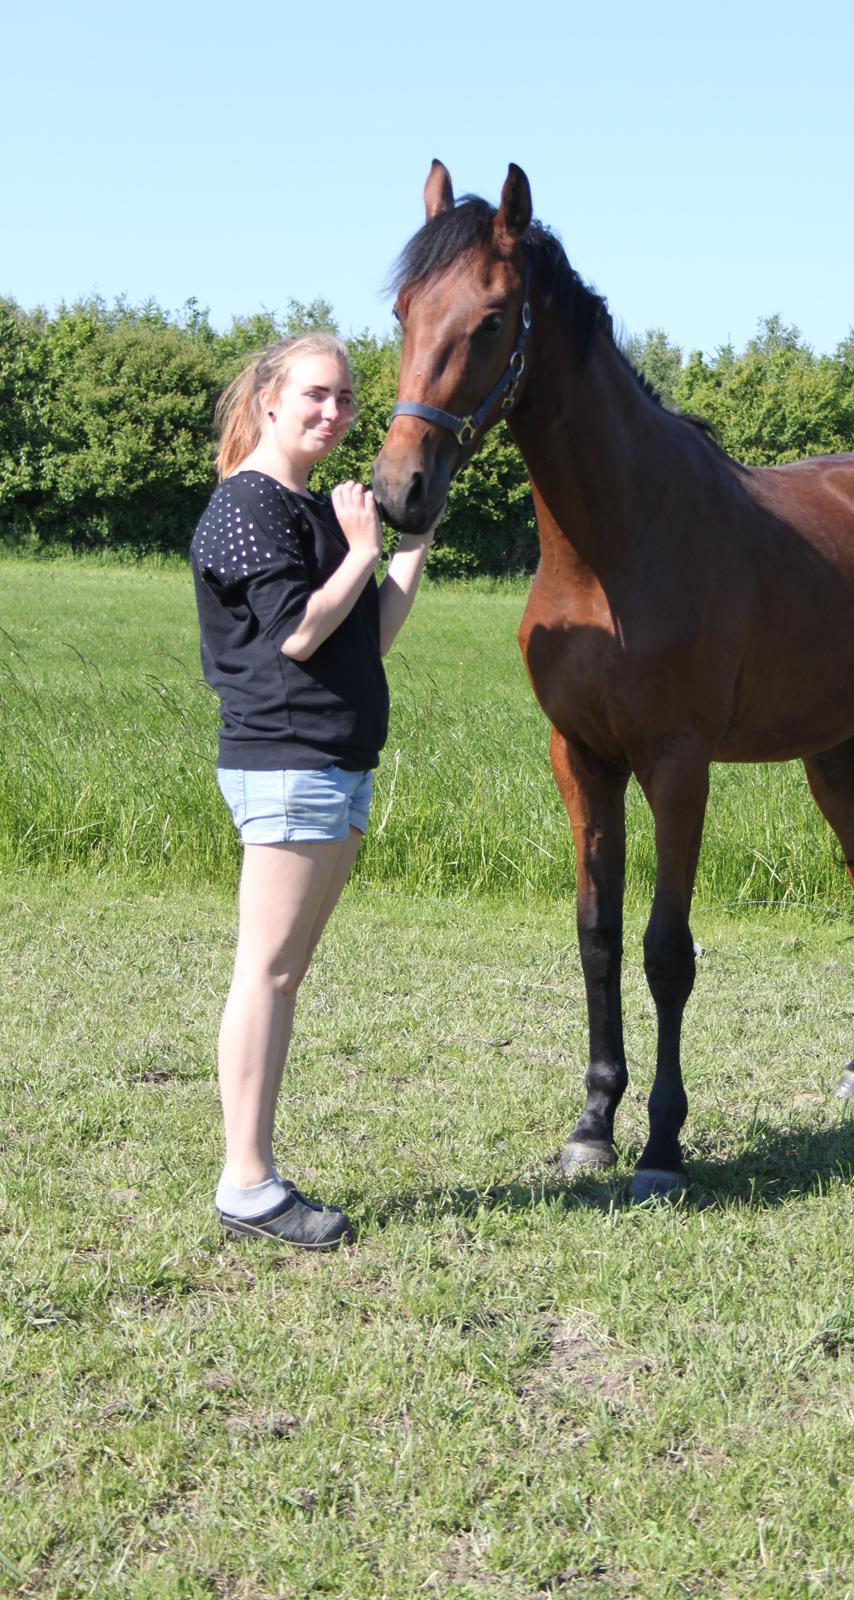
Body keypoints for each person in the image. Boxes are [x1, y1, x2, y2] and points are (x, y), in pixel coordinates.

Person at [190, 332, 437, 1249]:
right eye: (316, 396)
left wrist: (407, 543)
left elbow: (363, 635)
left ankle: (249, 1175)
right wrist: (363, 546)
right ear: (268, 400)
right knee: (267, 971)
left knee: (283, 973)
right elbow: (297, 633)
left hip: (332, 763)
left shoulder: (313, 507)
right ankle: (247, 1182)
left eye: (344, 400)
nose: (333, 413)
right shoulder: (247, 506)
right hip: (286, 762)